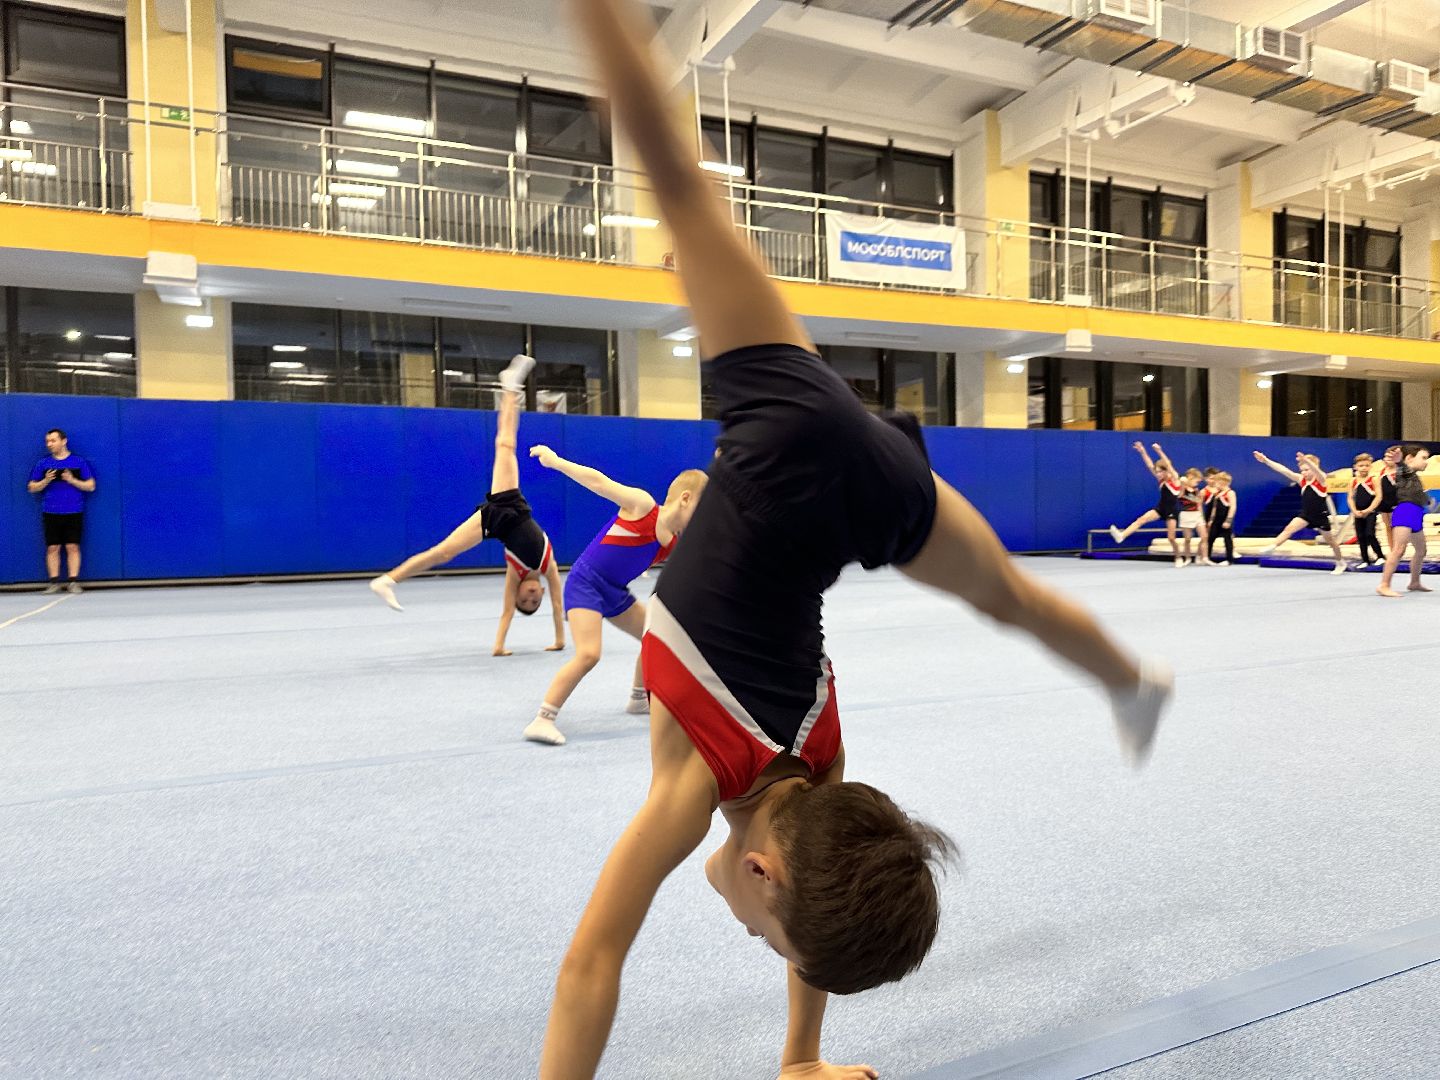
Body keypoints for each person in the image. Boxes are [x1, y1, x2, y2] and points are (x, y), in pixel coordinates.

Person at [538, 2, 1173, 1076]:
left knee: (1011, 598)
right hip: (792, 435)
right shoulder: (693, 794)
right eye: (762, 935)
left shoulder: (835, 796)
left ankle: (1130, 680)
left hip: (865, 496)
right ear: (763, 875)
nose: (754, 936)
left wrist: (801, 1062)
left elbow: (811, 932)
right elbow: (591, 963)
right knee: (678, 184)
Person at [369, 354, 566, 655]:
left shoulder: (515, 573)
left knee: (443, 552)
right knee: (505, 444)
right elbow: (558, 604)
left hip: (499, 516)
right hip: (510, 506)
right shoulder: (547, 567)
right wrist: (560, 640)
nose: (531, 596)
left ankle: (387, 580)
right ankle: (511, 387)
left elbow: (505, 612)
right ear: (540, 591)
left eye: (525, 600)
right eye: (534, 600)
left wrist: (498, 646)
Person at [522, 453, 705, 746]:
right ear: (685, 499)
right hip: (585, 583)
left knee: (655, 633)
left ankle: (637, 698)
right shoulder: (642, 506)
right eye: (702, 510)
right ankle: (542, 718)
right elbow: (598, 481)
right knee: (589, 653)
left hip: (614, 590)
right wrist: (556, 462)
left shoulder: (672, 542)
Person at [1252, 451, 1347, 575]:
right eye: (1302, 470)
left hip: (1320, 516)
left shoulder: (1321, 480)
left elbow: (1318, 472)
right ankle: (1273, 546)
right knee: (1289, 528)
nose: (1304, 473)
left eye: (1307, 469)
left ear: (1314, 467)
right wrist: (1266, 460)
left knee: (1331, 542)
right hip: (1306, 514)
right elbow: (1284, 470)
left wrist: (1307, 461)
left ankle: (1340, 562)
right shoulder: (1302, 480)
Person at [25, 428, 96, 594]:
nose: (50, 444)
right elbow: (31, 487)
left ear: (63, 441)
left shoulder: (79, 462)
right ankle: (54, 582)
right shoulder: (43, 464)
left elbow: (91, 486)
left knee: (72, 546)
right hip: (50, 511)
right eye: (47, 441)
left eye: (53, 440)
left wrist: (71, 480)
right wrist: (45, 481)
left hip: (74, 511)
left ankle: (73, 582)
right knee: (52, 548)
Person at [1108, 442, 1184, 566]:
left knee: (1171, 538)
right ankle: (1122, 536)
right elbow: (1149, 466)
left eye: (1160, 472)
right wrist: (1142, 451)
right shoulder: (1161, 480)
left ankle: (1179, 557)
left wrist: (1159, 451)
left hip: (1172, 510)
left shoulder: (1174, 479)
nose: (1158, 474)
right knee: (1141, 519)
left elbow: (1169, 464)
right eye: (1157, 472)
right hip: (1160, 508)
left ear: (1165, 472)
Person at [1375, 444, 1432, 598]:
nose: (1426, 462)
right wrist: (1399, 461)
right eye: (1424, 458)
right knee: (1399, 550)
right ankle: (1384, 585)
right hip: (1405, 512)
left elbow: (1418, 494)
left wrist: (1427, 501)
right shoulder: (1405, 472)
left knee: (1421, 551)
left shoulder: (1414, 477)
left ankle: (1414, 582)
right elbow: (1403, 468)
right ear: (1409, 459)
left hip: (1416, 514)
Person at [1348, 453, 1384, 567]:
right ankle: (1365, 560)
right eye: (1361, 465)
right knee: (1360, 536)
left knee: (1369, 534)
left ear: (1370, 467)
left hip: (1370, 511)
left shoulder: (1374, 479)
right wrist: (1354, 511)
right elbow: (1350, 498)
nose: (1364, 468)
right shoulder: (1353, 481)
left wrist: (1368, 510)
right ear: (1355, 467)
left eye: (1367, 465)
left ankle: (1380, 556)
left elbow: (1379, 496)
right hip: (1358, 512)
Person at [1177, 467, 1210, 566]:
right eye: (1196, 481)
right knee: (1187, 539)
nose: (1198, 483)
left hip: (1197, 514)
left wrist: (1202, 517)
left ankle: (1204, 557)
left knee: (1204, 537)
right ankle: (1187, 558)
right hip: (1186, 514)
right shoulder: (1182, 487)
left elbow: (1199, 504)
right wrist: (1184, 482)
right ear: (1190, 478)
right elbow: (1180, 495)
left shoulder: (1196, 490)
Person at [1206, 471, 1237, 565]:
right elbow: (1214, 508)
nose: (1215, 484)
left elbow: (1233, 507)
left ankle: (1229, 559)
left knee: (1227, 539)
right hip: (1216, 520)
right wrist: (1211, 519)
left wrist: (1228, 520)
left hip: (1225, 519)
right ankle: (1207, 557)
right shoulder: (1217, 494)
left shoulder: (1230, 493)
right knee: (1210, 538)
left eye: (1216, 482)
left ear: (1222, 482)